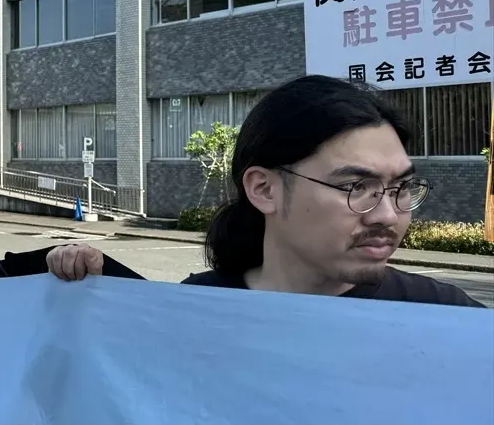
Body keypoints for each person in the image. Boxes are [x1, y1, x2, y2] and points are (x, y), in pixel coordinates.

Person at [46, 76, 484, 307]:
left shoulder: (443, 315)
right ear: (264, 188)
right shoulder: (197, 310)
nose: (387, 215)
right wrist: (88, 298)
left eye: (401, 188)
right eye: (357, 187)